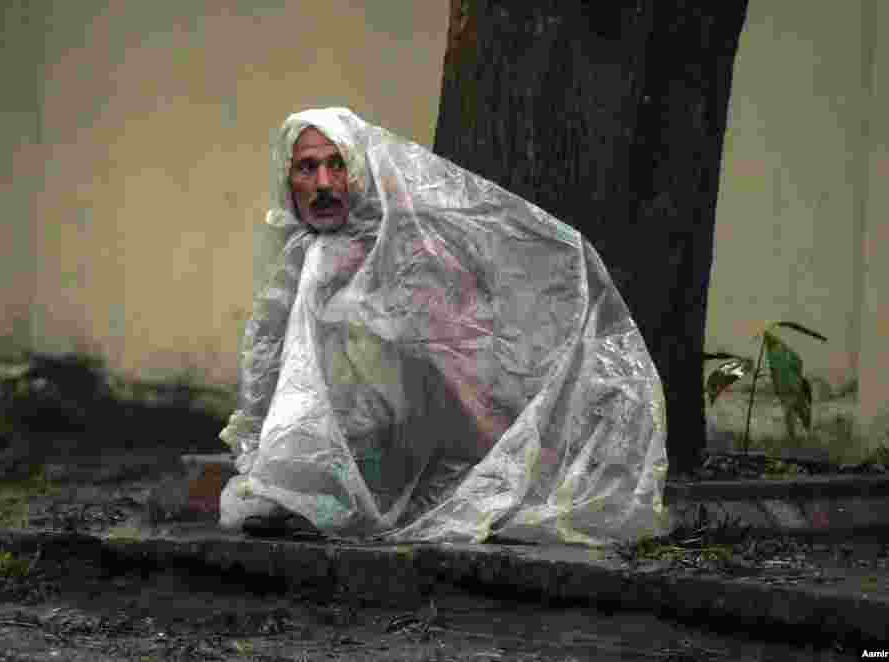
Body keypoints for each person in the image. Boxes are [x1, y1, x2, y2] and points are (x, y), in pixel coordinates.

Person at [219, 107, 669, 545]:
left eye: (337, 165)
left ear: (359, 170)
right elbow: (273, 368)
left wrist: (516, 472)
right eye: (307, 168)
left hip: (419, 449)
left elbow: (461, 372)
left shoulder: (407, 249)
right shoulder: (301, 255)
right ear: (287, 178)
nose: (322, 184)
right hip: (354, 446)